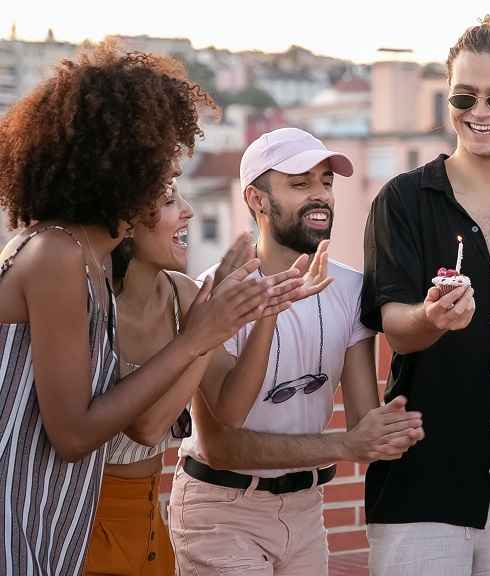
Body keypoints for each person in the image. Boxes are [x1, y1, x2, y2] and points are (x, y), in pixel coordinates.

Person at [0, 44, 288, 576]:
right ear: (118, 169)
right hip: (24, 529)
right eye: (161, 178)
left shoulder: (89, 260)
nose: (178, 199)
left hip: (58, 523)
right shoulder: (57, 254)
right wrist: (197, 337)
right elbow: (72, 435)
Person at [361, 16, 490, 575]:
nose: (479, 112)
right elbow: (394, 323)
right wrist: (432, 318)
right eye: (463, 95)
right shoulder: (402, 201)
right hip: (421, 492)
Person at [169, 127, 423, 575]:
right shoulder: (215, 294)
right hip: (222, 510)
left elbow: (366, 426)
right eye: (300, 184)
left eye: (325, 182)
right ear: (257, 199)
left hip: (305, 510)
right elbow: (222, 444)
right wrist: (345, 443)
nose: (320, 195)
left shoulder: (349, 289)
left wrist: (434, 324)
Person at [83, 179, 323, 575]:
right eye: (168, 199)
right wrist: (206, 332)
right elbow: (147, 426)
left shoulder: (183, 295)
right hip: (89, 525)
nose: (188, 211)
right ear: (125, 218)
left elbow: (231, 409)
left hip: (150, 524)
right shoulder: (91, 301)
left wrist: (266, 313)